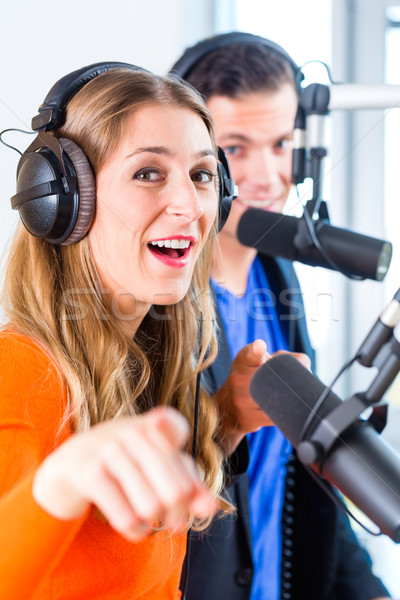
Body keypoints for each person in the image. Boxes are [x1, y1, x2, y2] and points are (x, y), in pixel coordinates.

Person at [0, 61, 306, 600]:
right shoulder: (18, 371)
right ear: (61, 200)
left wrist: (227, 420)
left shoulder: (147, 370)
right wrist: (63, 480)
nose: (189, 206)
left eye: (202, 175)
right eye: (148, 173)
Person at [171, 32, 391, 600]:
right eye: (237, 148)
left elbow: (300, 477)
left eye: (282, 143)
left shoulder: (277, 275)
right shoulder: (155, 299)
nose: (269, 177)